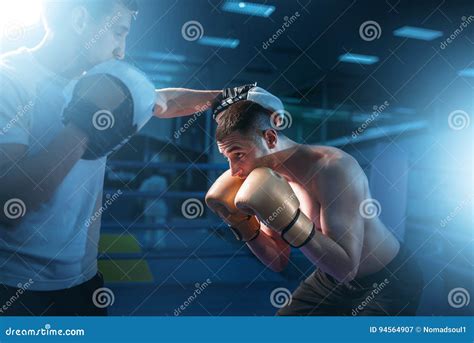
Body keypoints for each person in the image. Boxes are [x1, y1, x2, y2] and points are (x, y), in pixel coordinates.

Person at [0, 0, 223, 316]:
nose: (121, 51)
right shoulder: (8, 79)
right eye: (119, 33)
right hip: (17, 291)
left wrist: (229, 97)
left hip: (85, 283)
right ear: (79, 20)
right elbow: (12, 202)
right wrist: (84, 124)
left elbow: (164, 101)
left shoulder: (95, 82)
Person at [206, 88, 424, 316]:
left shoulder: (333, 168)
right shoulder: (266, 182)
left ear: (270, 138)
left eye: (238, 155)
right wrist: (242, 224)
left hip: (388, 280)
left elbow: (346, 269)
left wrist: (290, 222)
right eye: (227, 159)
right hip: (329, 279)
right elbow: (278, 261)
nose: (234, 171)